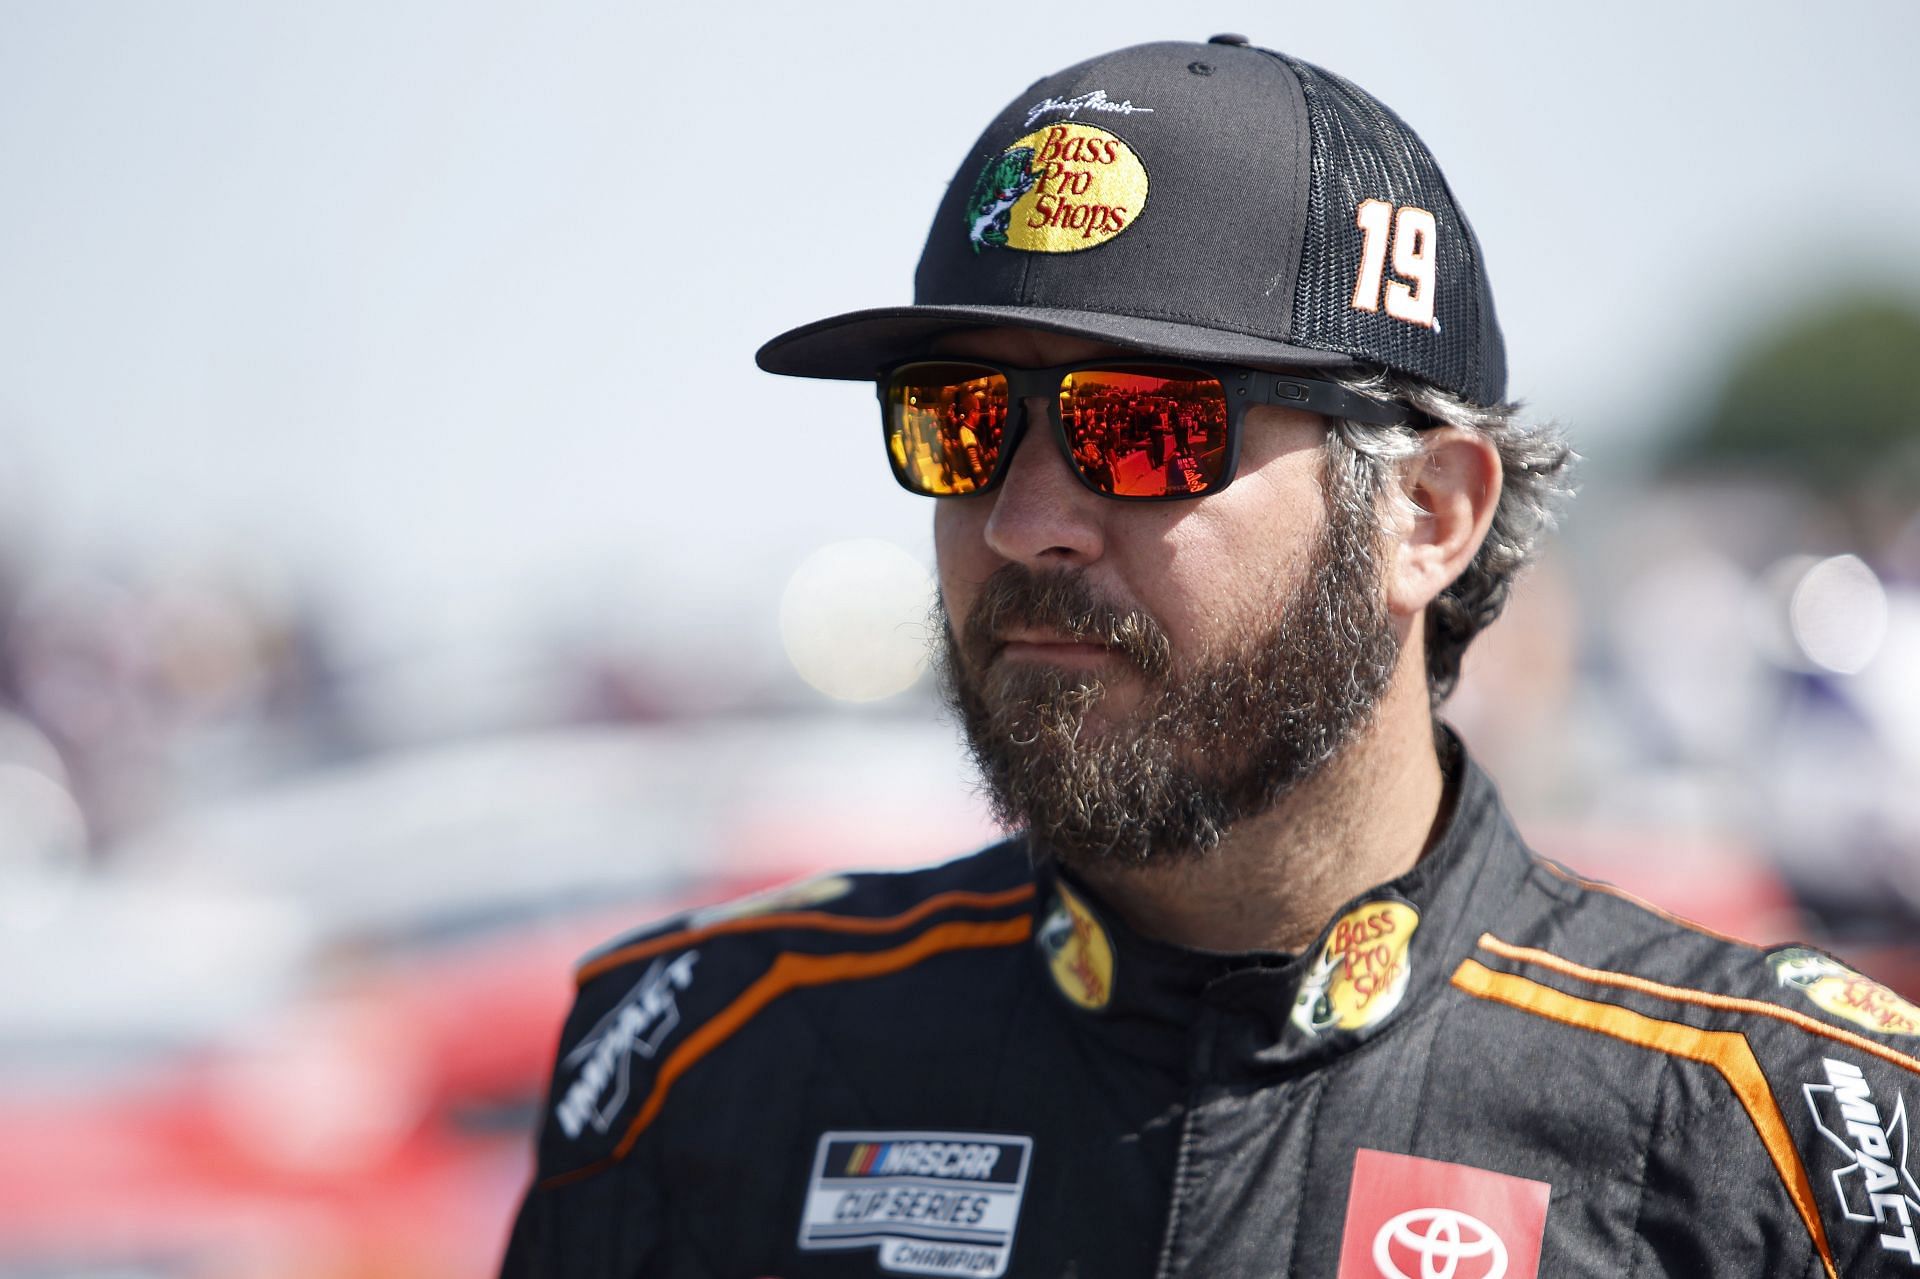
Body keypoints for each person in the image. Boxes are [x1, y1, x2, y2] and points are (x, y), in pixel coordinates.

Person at [503, 36, 1920, 1279]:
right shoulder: (708, 1058)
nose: (1025, 518)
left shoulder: (1775, 1139)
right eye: (961, 419)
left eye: (1146, 427)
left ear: (1428, 515)